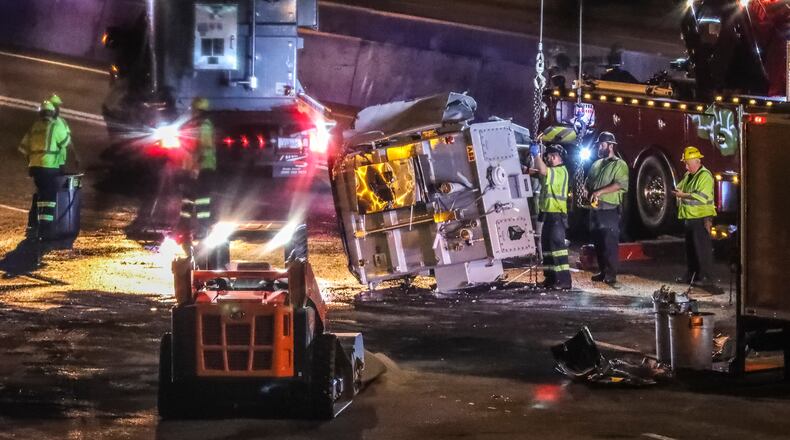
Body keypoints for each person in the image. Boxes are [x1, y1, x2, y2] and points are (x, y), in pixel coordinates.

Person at [18, 100, 71, 238]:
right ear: (53, 113)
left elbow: (23, 149)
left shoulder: (34, 127)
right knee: (49, 198)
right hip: (50, 167)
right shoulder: (54, 126)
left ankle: (33, 223)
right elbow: (65, 142)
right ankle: (45, 229)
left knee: (40, 193)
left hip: (35, 168)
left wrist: (32, 164)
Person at [585, 131, 629, 287]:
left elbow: (620, 184)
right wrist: (587, 192)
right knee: (598, 242)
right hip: (595, 210)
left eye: (602, 144)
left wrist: (598, 192)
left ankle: (611, 274)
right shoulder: (596, 164)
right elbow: (588, 183)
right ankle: (603, 271)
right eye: (599, 144)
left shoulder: (620, 164)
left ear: (610, 146)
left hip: (610, 210)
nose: (599, 147)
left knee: (609, 243)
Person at [672, 146, 716, 286]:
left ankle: (706, 278)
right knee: (691, 250)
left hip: (701, 218)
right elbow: (680, 187)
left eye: (688, 163)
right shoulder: (688, 175)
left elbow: (701, 197)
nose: (686, 166)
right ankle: (692, 275)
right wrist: (677, 191)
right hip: (690, 218)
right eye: (685, 163)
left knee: (702, 250)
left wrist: (681, 195)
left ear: (697, 161)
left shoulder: (705, 176)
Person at [530, 143, 572, 290]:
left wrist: (535, 155)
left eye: (548, 157)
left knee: (557, 248)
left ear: (555, 156)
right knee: (547, 248)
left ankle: (564, 281)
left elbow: (542, 170)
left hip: (557, 217)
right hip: (548, 216)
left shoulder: (560, 172)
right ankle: (551, 279)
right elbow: (538, 171)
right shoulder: (553, 171)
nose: (547, 159)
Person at [178, 97, 217, 239]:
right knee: (188, 197)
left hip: (202, 168)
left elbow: (204, 148)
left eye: (194, 109)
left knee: (201, 199)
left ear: (198, 110)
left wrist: (196, 167)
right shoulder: (196, 124)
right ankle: (184, 226)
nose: (192, 111)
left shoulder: (204, 125)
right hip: (194, 167)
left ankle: (202, 228)